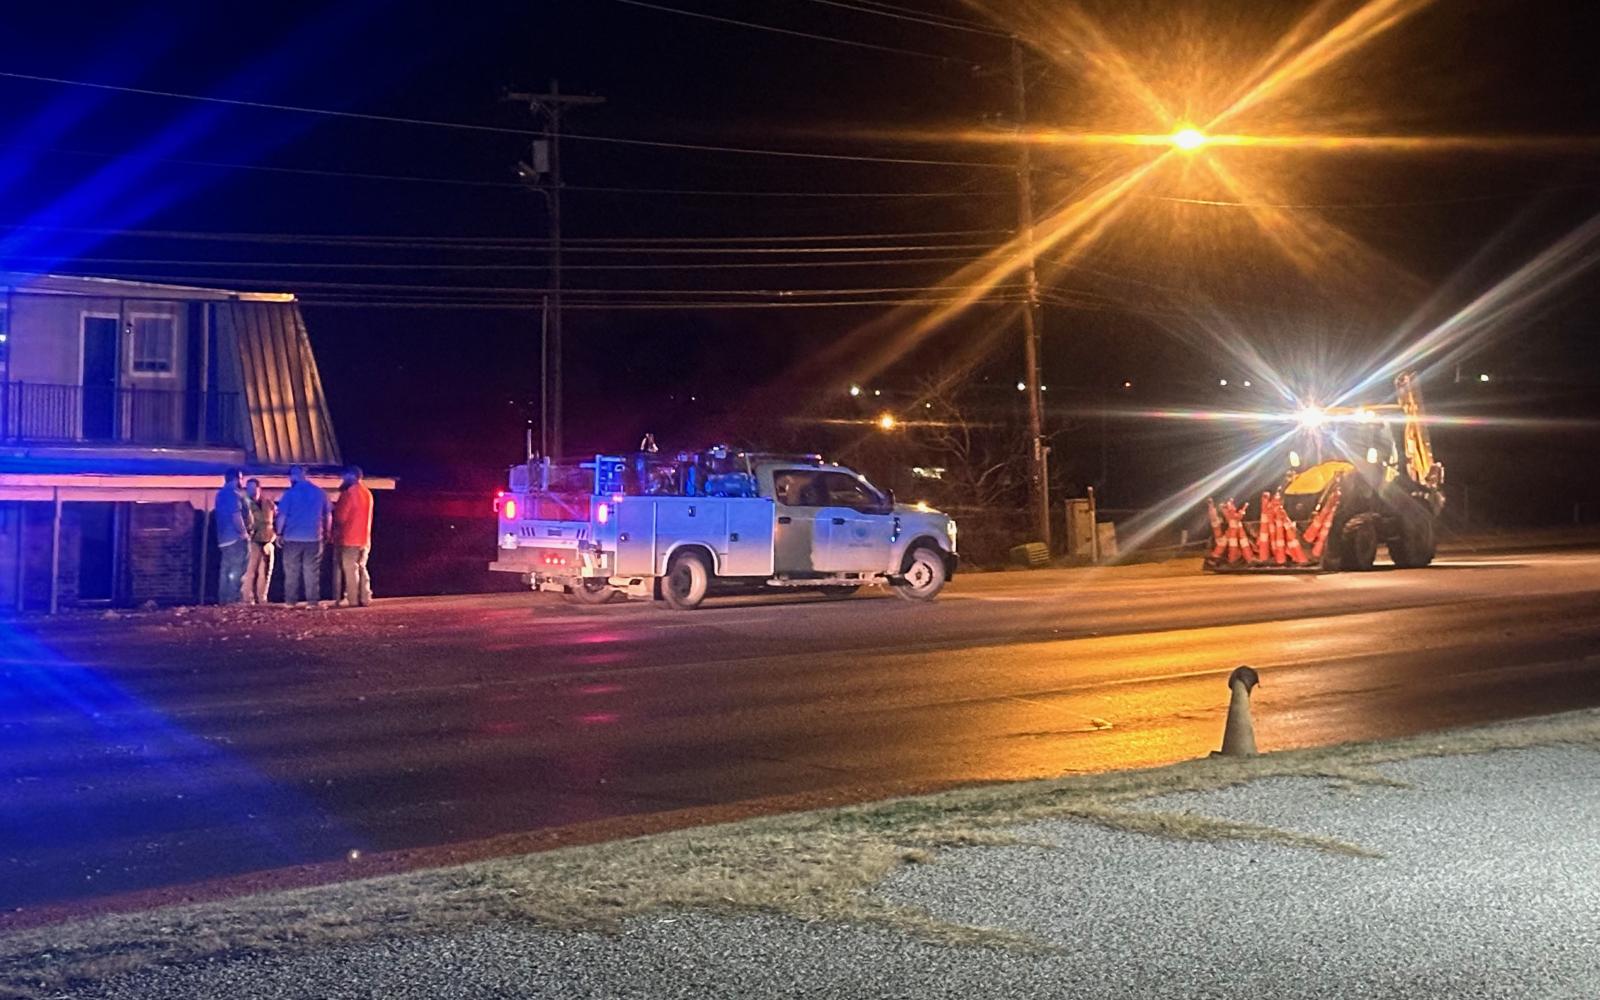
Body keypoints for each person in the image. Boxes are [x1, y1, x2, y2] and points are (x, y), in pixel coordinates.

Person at [276, 465, 332, 609]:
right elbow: (328, 515)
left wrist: (279, 533)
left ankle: (290, 601)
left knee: (291, 570)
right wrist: (327, 532)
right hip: (314, 537)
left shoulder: (289, 494)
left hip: (292, 538)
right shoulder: (320, 493)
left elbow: (282, 516)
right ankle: (312, 602)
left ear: (294, 476)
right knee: (312, 571)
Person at [331, 465, 374, 607]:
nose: (342, 479)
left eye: (344, 476)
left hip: (349, 537)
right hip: (365, 538)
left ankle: (352, 599)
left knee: (350, 569)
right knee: (362, 567)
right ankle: (365, 597)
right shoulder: (367, 493)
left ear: (352, 476)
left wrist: (334, 510)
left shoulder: (349, 493)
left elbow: (341, 517)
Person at [213, 468, 251, 604]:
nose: (242, 481)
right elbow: (236, 516)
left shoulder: (220, 495)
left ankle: (223, 598)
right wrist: (244, 533)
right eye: (241, 478)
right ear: (236, 479)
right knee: (237, 570)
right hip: (235, 538)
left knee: (226, 570)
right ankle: (233, 599)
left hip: (223, 539)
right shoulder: (233, 495)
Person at [242, 478, 278, 605]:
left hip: (268, 541)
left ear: (259, 488)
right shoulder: (245, 505)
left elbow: (276, 520)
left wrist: (274, 536)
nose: (251, 491)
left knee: (266, 572)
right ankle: (247, 599)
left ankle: (262, 598)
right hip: (253, 541)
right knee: (250, 571)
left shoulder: (268, 504)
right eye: (249, 488)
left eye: (253, 488)